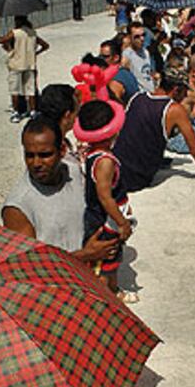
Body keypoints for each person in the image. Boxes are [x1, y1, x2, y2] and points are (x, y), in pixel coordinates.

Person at [2, 116, 117, 263]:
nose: (36, 163)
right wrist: (85, 255)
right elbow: (29, 265)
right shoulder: (18, 207)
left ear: (62, 150)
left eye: (45, 155)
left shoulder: (76, 172)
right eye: (29, 155)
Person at [113, 67, 195, 192]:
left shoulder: (136, 98)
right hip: (138, 177)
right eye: (184, 92)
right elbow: (194, 147)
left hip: (117, 167)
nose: (186, 96)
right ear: (176, 90)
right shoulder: (174, 109)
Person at [74, 100, 137, 302]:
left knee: (110, 258)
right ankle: (109, 295)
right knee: (107, 257)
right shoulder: (105, 162)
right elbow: (104, 196)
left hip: (104, 215)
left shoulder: (92, 153)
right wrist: (122, 222)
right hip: (105, 220)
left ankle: (113, 289)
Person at [0, 15, 49, 123]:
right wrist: (35, 53)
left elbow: (1, 40)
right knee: (30, 90)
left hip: (16, 65)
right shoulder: (32, 33)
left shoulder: (15, 32)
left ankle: (16, 113)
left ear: (17, 21)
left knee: (15, 90)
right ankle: (33, 111)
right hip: (30, 65)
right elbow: (45, 45)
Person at [38, 84, 80, 162]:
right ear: (67, 115)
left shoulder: (42, 142)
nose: (77, 117)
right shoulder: (57, 155)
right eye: (76, 112)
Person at [99, 39, 139, 106]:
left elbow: (113, 106)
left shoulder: (115, 80)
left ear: (116, 58)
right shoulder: (125, 72)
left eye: (105, 57)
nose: (101, 60)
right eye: (100, 56)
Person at [121, 22, 155, 92]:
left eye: (143, 35)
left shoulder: (145, 52)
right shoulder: (127, 55)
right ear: (129, 37)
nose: (142, 39)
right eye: (137, 37)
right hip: (140, 95)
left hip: (151, 91)